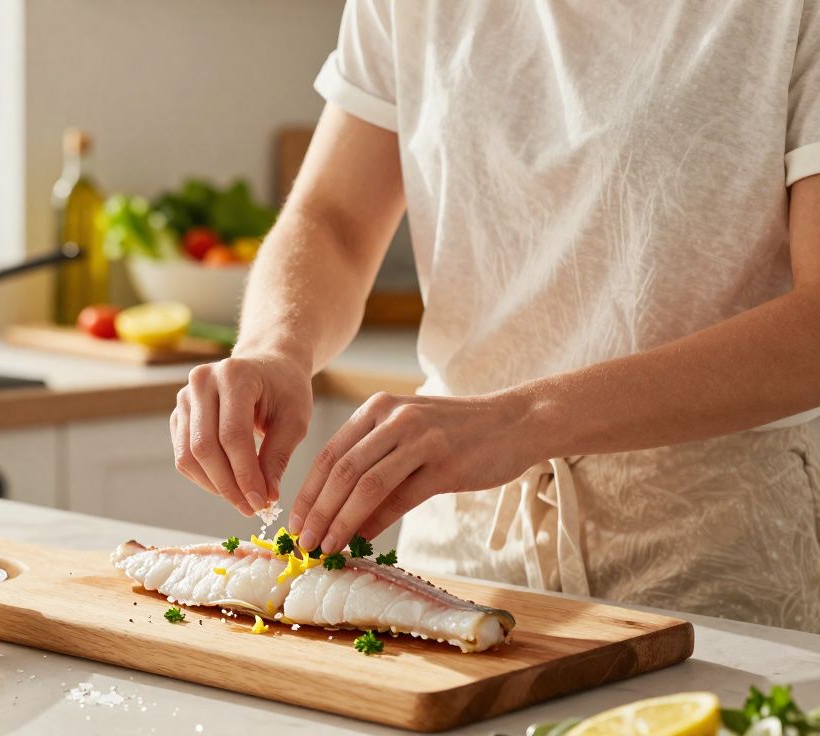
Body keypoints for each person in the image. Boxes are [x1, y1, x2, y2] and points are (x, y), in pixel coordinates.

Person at [169, 1, 820, 633]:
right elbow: (334, 218)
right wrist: (275, 346)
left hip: (715, 552)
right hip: (455, 542)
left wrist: (525, 418)